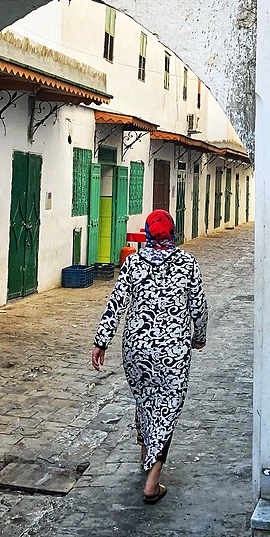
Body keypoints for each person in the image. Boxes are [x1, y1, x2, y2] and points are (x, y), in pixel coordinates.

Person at [91, 209, 208, 504]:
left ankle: (145, 452)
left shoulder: (133, 263)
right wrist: (199, 337)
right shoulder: (187, 263)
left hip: (136, 350)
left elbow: (116, 303)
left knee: (145, 400)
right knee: (166, 409)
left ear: (147, 234)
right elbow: (199, 307)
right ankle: (152, 482)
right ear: (172, 233)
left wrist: (102, 341)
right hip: (173, 351)